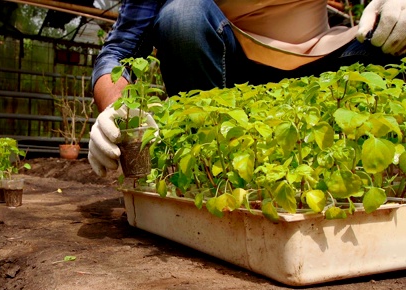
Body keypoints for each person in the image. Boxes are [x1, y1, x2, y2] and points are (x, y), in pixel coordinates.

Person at [88, 0, 406, 177]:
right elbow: (118, 52)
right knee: (182, 15)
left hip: (321, 62)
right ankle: (209, 173)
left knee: (392, 44)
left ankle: (377, 177)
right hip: (225, 77)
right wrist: (117, 110)